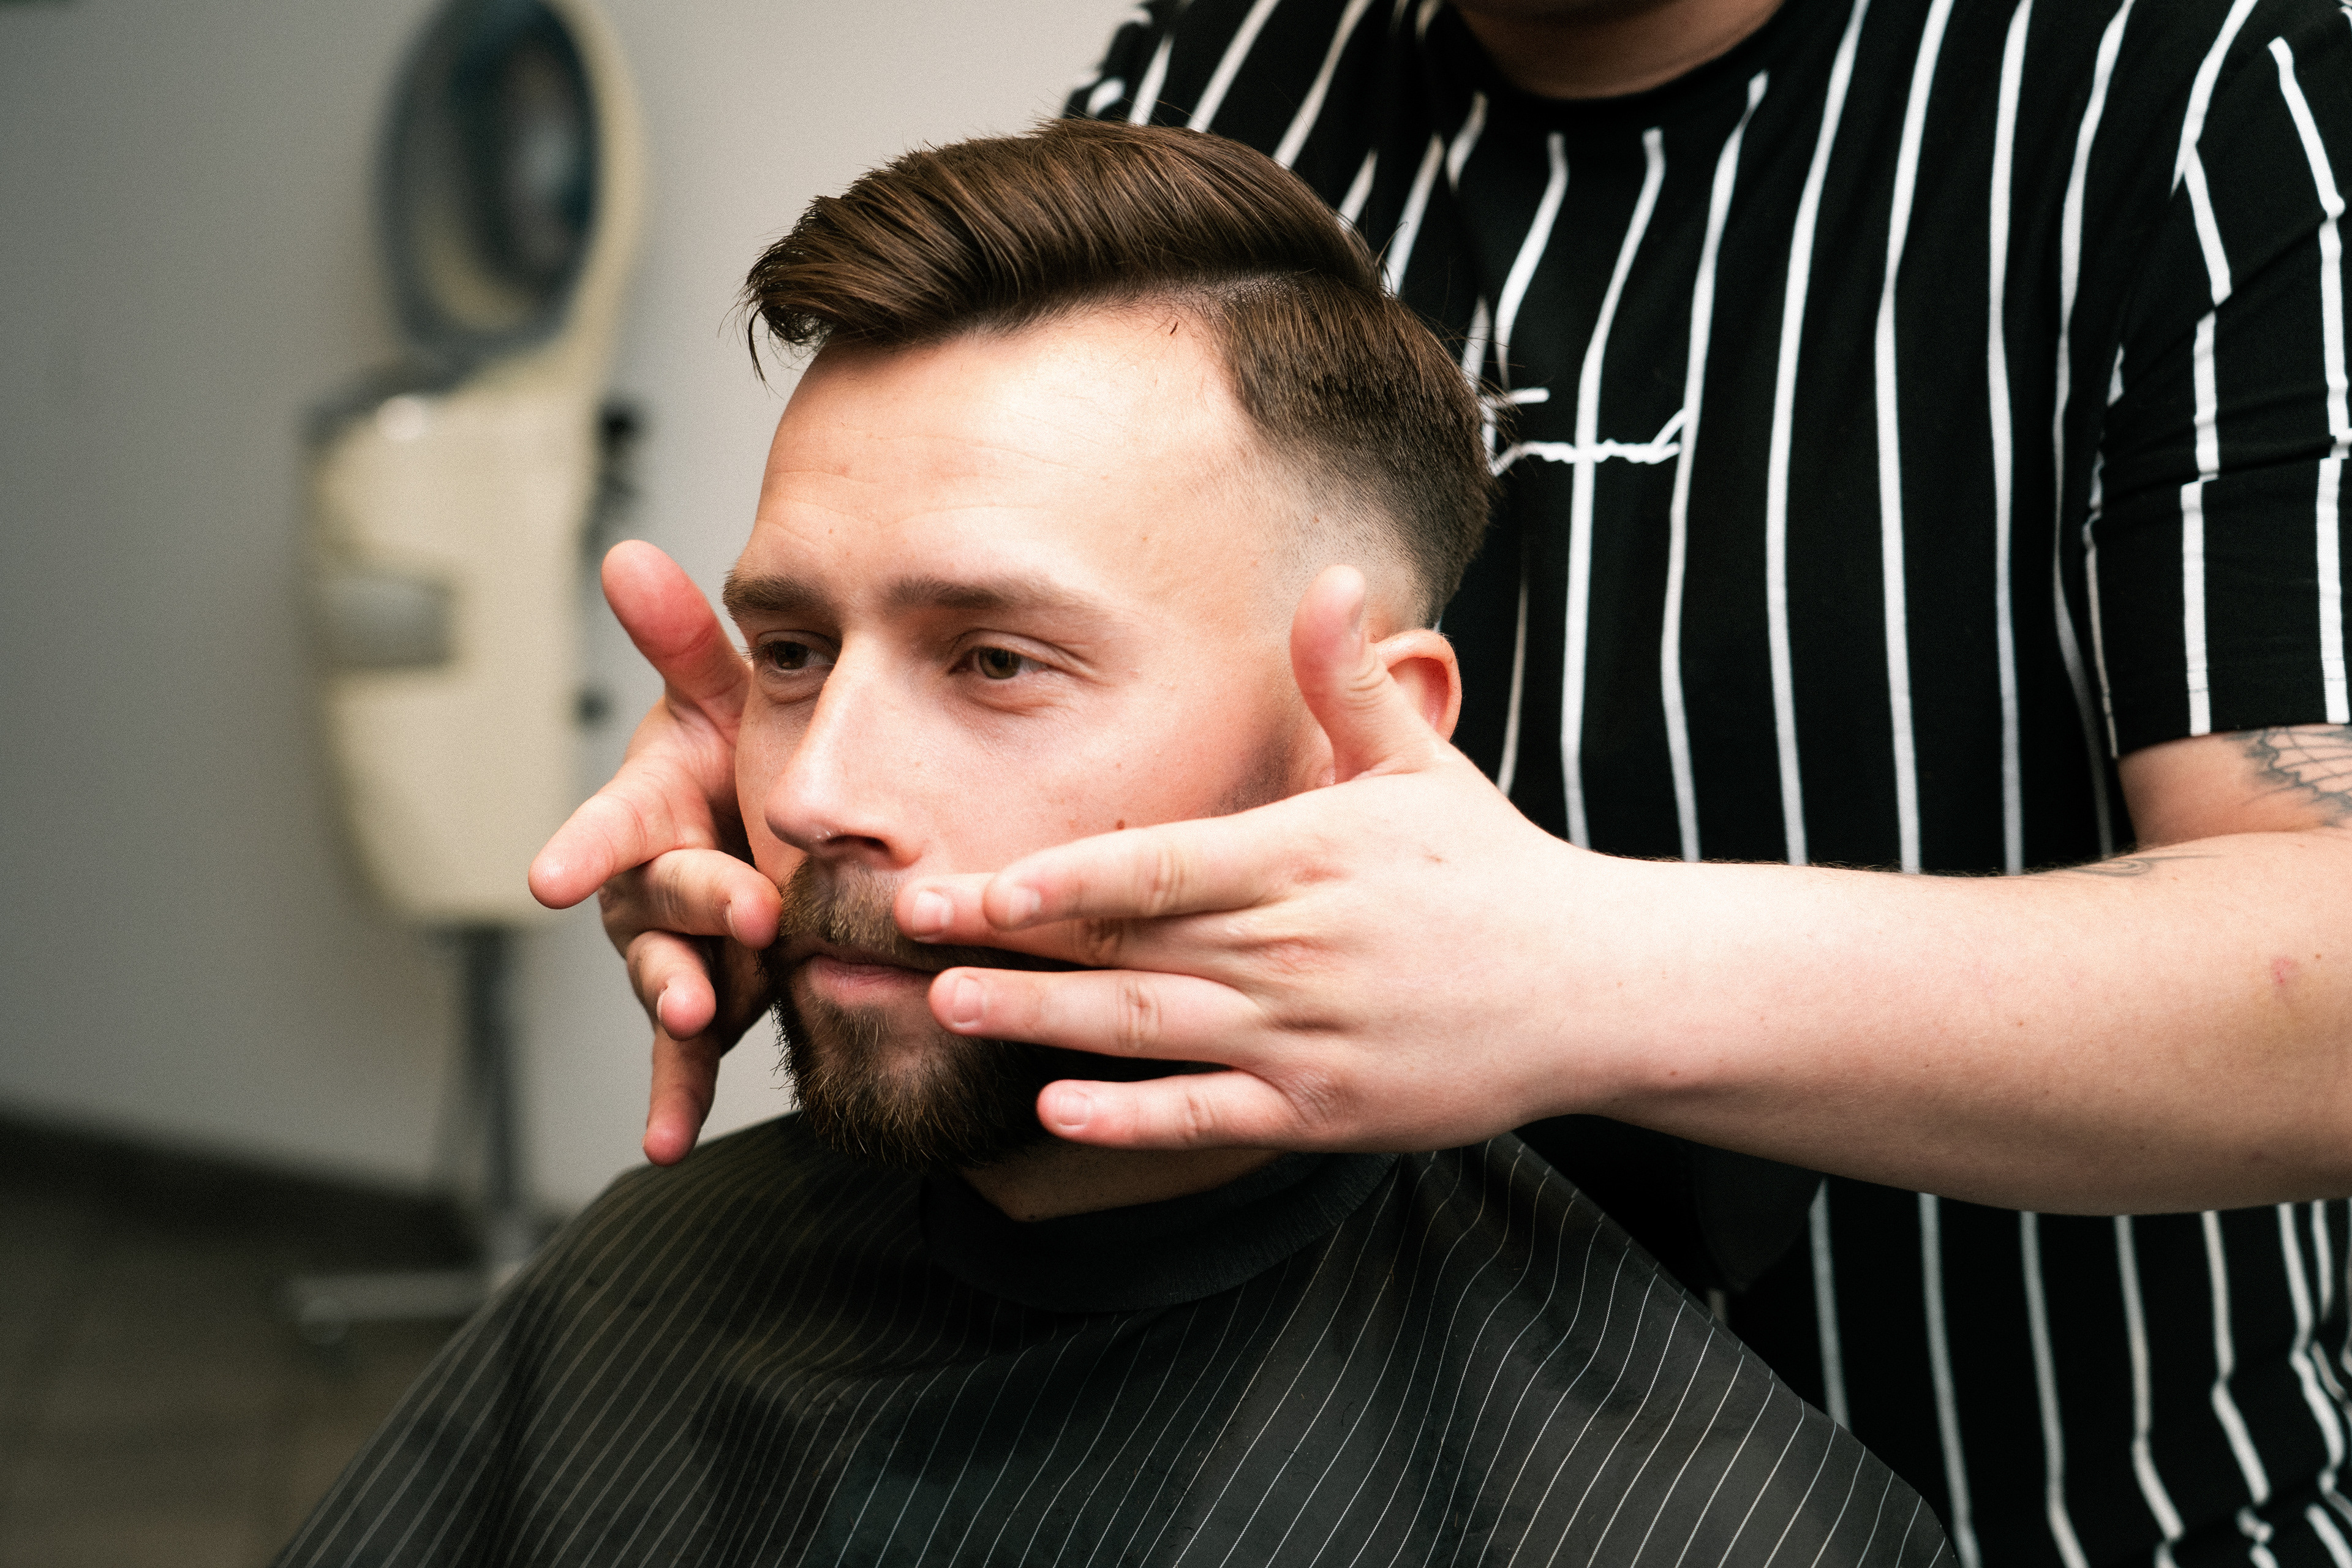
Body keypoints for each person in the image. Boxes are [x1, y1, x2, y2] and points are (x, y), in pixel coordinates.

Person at [528, 2, 2352, 1564]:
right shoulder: (1226, 72)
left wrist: (1586, 977)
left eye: (986, 663)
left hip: (2053, 1488)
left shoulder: (2178, 95)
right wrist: (798, 741)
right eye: (795, 655)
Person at [278, 123, 1950, 1568]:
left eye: (997, 661)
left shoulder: (1676, 1512)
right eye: (791, 652)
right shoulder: (634, 1289)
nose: (810, 792)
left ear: (1354, 735)